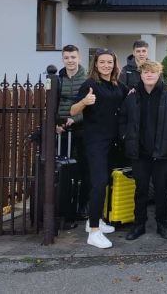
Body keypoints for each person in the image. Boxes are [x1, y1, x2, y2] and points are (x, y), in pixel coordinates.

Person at [119, 60, 167, 241]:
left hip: (162, 153)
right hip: (139, 153)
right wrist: (126, 137)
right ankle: (139, 224)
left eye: (153, 72)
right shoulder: (132, 96)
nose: (149, 75)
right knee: (140, 190)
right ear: (140, 75)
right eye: (146, 72)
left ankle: (162, 224)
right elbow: (122, 119)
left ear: (159, 74)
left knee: (161, 190)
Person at [71, 49, 129, 249]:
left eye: (109, 62)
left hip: (112, 141)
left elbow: (130, 99)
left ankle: (93, 221)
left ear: (114, 64)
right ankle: (94, 232)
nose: (106, 65)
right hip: (95, 141)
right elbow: (73, 110)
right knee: (99, 183)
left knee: (105, 182)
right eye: (102, 62)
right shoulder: (89, 85)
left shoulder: (118, 85)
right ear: (95, 64)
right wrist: (84, 102)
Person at [56, 44, 90, 220]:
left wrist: (75, 119)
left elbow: (91, 105)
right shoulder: (57, 79)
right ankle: (63, 205)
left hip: (82, 130)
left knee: (85, 169)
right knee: (62, 169)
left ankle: (83, 205)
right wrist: (56, 123)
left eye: (73, 57)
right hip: (62, 131)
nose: (70, 61)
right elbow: (52, 104)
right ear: (63, 59)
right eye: (67, 58)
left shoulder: (87, 78)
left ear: (79, 58)